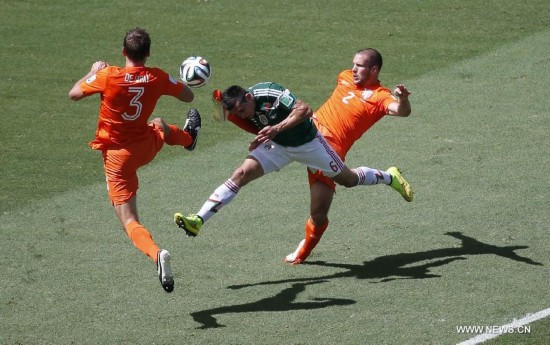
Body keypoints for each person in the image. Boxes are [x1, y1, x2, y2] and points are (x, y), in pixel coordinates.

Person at [173, 81, 412, 246]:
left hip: (310, 144)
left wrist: (275, 129)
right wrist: (216, 101)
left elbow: (305, 110)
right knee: (241, 174)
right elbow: (221, 117)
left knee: (348, 180)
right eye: (239, 112)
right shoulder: (241, 107)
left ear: (249, 96)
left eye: (243, 109)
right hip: (277, 147)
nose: (243, 114)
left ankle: (389, 176)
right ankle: (198, 220)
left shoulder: (270, 93)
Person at [69, 27, 201, 293]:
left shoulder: (107, 76)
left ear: (123, 52)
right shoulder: (157, 76)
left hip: (118, 158)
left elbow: (74, 93)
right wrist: (177, 80)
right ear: (148, 53)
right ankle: (188, 138)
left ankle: (156, 254)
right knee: (159, 124)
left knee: (129, 220)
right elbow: (189, 95)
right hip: (145, 146)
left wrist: (93, 70)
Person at [284, 48, 413, 264]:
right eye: (353, 64)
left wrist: (403, 99)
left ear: (374, 69)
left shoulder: (381, 96)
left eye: (359, 66)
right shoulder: (344, 77)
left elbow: (401, 111)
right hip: (308, 133)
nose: (353, 69)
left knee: (319, 213)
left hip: (328, 151)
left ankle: (302, 252)